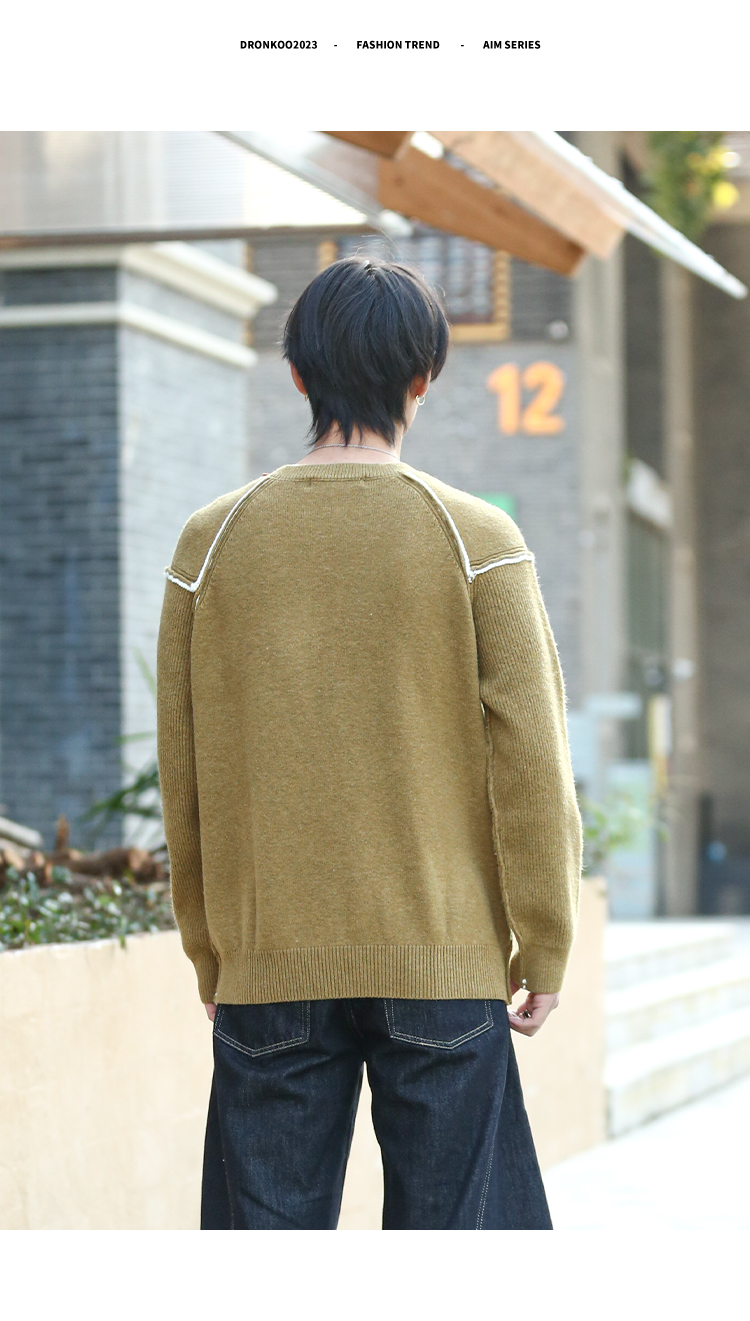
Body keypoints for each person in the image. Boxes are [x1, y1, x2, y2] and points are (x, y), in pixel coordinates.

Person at [156, 255, 582, 1231]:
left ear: (297, 375)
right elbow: (533, 764)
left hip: (269, 964)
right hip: (446, 966)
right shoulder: (477, 538)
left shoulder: (210, 543)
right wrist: (545, 942)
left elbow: (184, 767)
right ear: (423, 378)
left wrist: (211, 952)